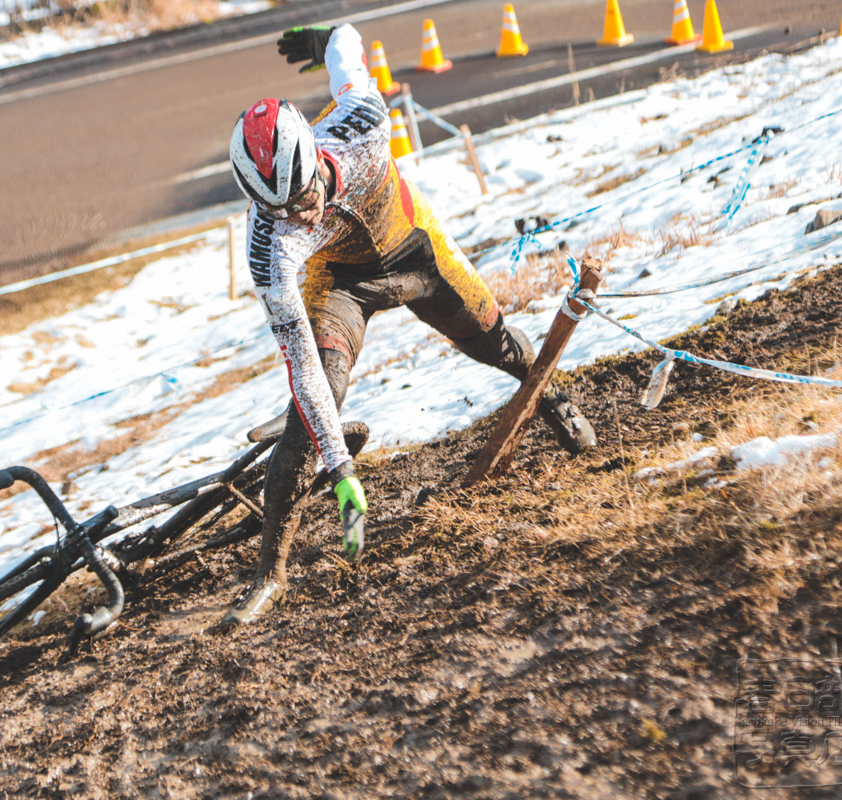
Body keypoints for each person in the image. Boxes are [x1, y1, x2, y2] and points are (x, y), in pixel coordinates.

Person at [222, 23, 595, 625]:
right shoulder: (269, 242)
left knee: (495, 344)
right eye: (284, 210)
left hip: (415, 247)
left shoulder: (361, 124)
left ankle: (554, 399)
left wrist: (326, 42)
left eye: (304, 194)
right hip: (338, 283)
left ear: (316, 157)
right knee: (307, 418)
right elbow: (303, 367)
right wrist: (340, 469)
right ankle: (271, 574)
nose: (302, 213)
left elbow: (347, 42)